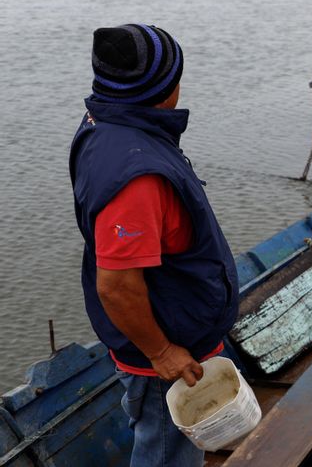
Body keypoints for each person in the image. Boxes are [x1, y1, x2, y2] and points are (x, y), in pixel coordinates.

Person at [69, 24, 239, 466]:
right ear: (163, 88)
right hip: (168, 347)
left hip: (176, 320)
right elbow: (118, 285)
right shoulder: (137, 177)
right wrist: (162, 352)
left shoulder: (104, 123)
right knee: (166, 450)